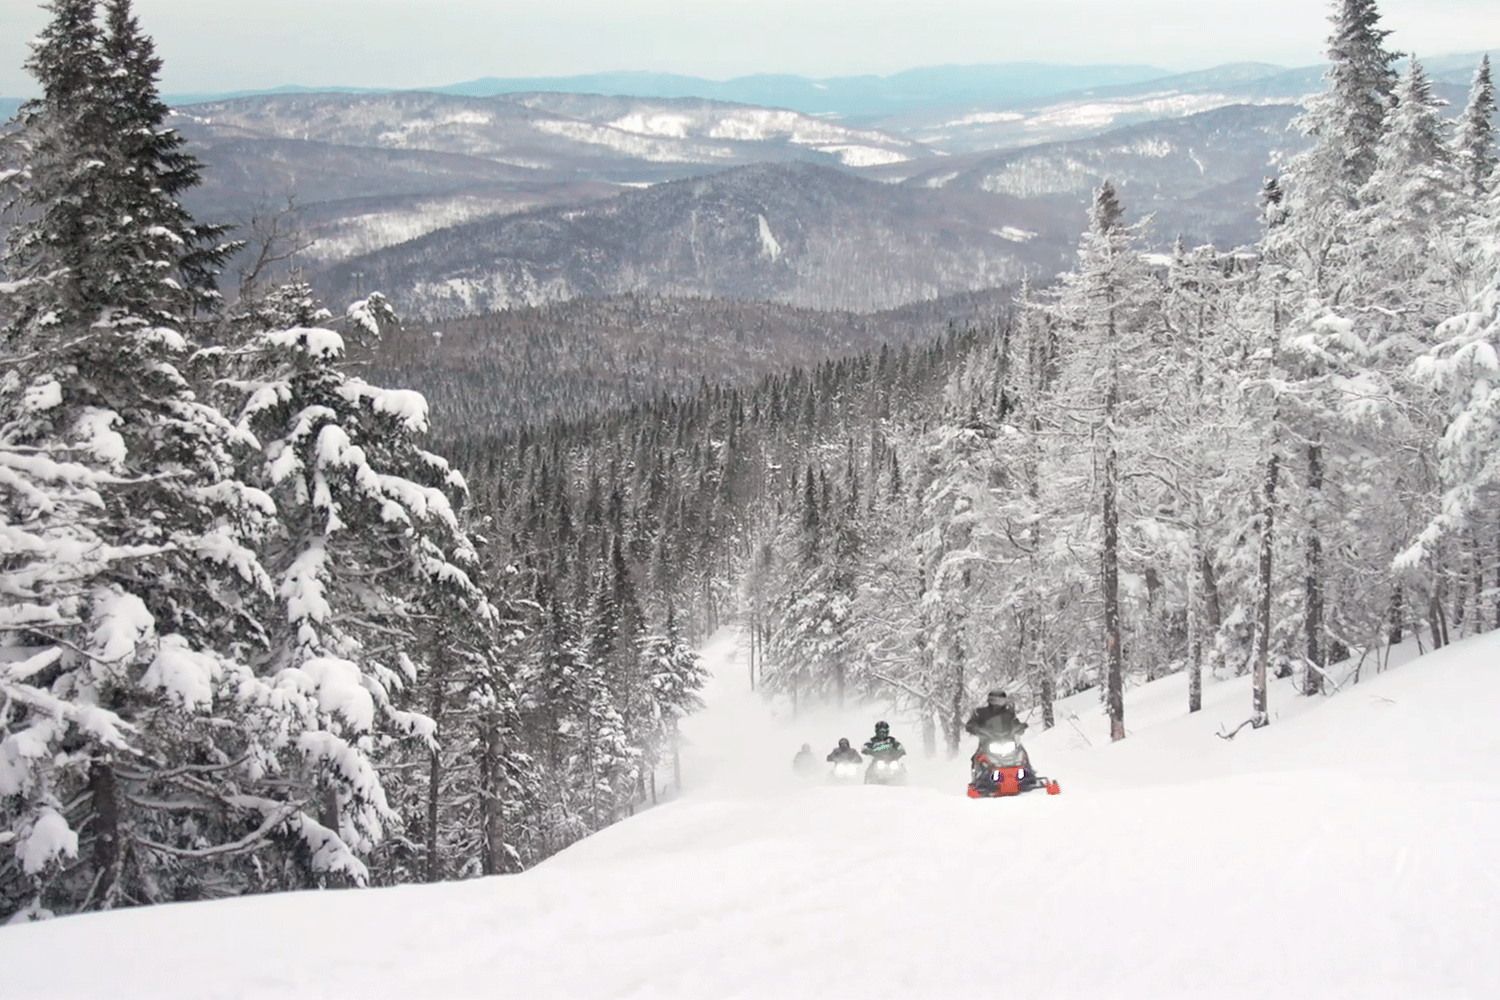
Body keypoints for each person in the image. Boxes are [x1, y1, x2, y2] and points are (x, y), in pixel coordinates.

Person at [965, 689, 1032, 777]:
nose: (1001, 703)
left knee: (1021, 752)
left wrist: (1019, 727)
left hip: (1007, 740)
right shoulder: (981, 713)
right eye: (998, 700)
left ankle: (1029, 773)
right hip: (988, 742)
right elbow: (971, 724)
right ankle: (979, 777)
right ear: (992, 700)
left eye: (1002, 700)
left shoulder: (1008, 713)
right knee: (977, 757)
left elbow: (1014, 722)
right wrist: (976, 729)